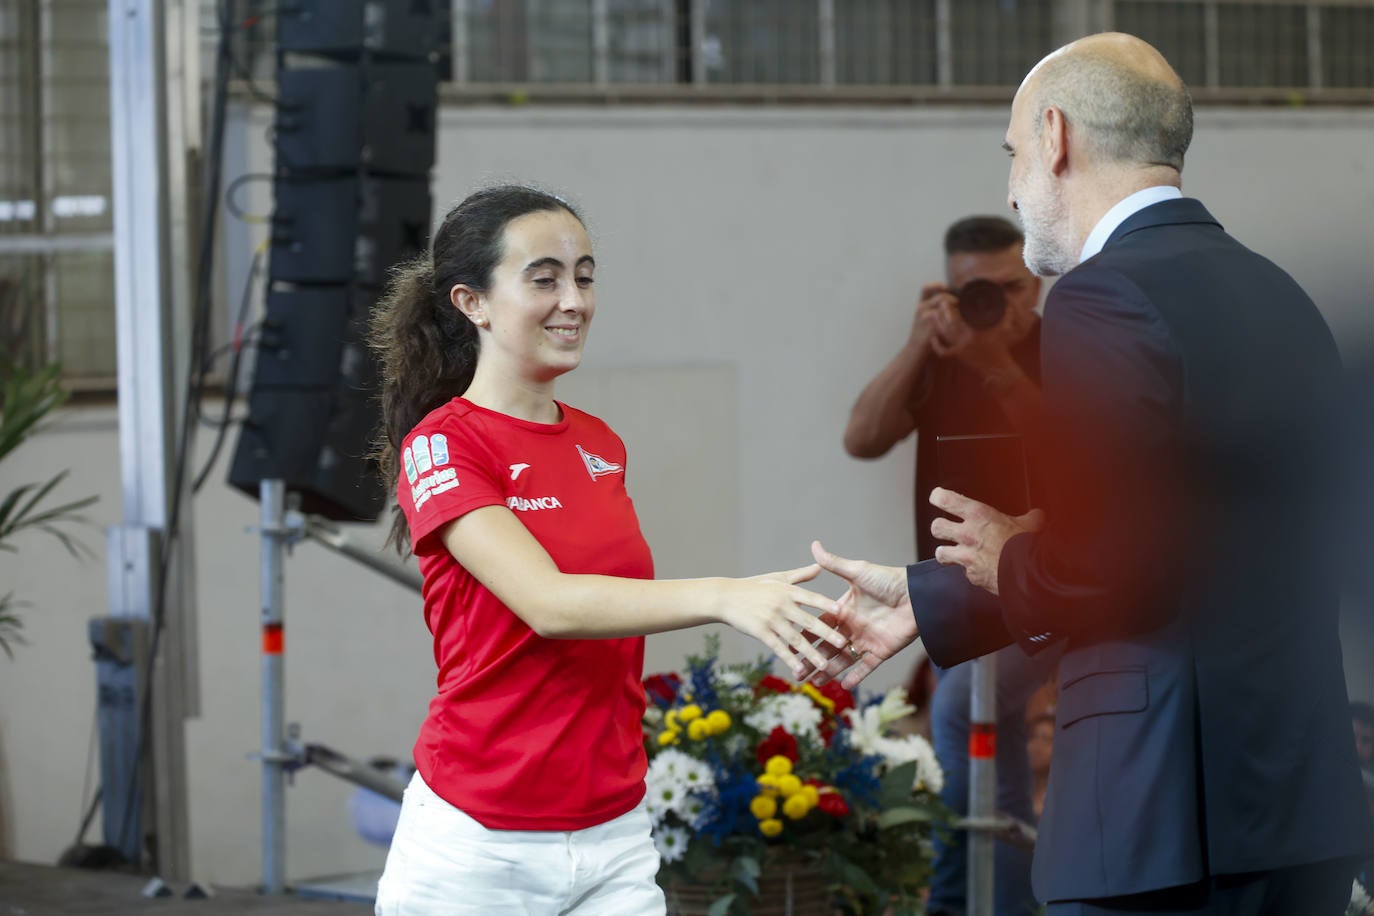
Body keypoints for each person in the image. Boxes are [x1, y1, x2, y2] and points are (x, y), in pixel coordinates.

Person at [806, 31, 1372, 915]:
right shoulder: (1282, 294)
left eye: (1013, 154)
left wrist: (1007, 555)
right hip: (1298, 808)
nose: (1010, 189)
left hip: (1163, 819)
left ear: (1056, 137)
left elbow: (1112, 567)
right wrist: (929, 599)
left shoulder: (1102, 294)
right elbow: (1193, 539)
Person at [366, 185, 848, 915]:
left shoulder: (598, 443)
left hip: (614, 831)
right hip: (478, 841)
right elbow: (550, 604)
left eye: (584, 276)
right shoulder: (442, 444)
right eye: (544, 279)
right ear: (473, 303)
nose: (574, 301)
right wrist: (727, 595)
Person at [843, 215, 1053, 916]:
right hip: (950, 600)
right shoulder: (937, 353)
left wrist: (993, 359)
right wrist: (916, 345)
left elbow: (1074, 452)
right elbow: (863, 437)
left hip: (1043, 584)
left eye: (1011, 287)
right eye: (976, 291)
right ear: (948, 289)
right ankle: (993, 900)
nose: (997, 304)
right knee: (979, 727)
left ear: (1037, 282)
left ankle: (964, 901)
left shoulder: (1066, 350)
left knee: (968, 709)